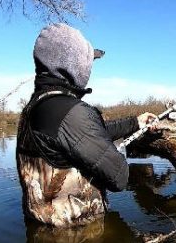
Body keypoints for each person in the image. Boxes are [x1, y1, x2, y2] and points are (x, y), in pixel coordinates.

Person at [16, 23, 157, 227]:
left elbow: (88, 135)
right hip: (79, 233)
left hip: (40, 228)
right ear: (73, 65)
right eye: (89, 62)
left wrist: (136, 122)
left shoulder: (35, 107)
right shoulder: (72, 113)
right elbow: (119, 178)